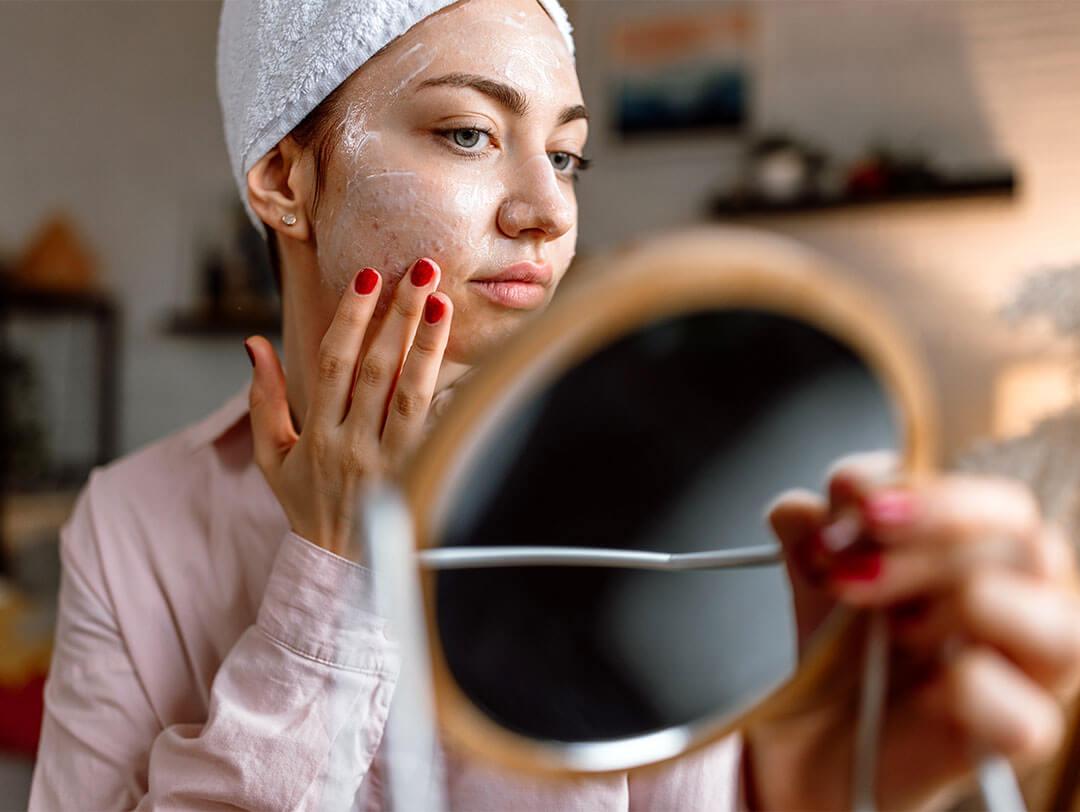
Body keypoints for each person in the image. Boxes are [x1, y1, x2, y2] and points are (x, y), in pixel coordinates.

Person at [28, 0, 1080, 808]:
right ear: (285, 179)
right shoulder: (131, 525)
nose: (547, 210)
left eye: (567, 154)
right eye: (470, 133)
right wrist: (329, 571)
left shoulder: (682, 496)